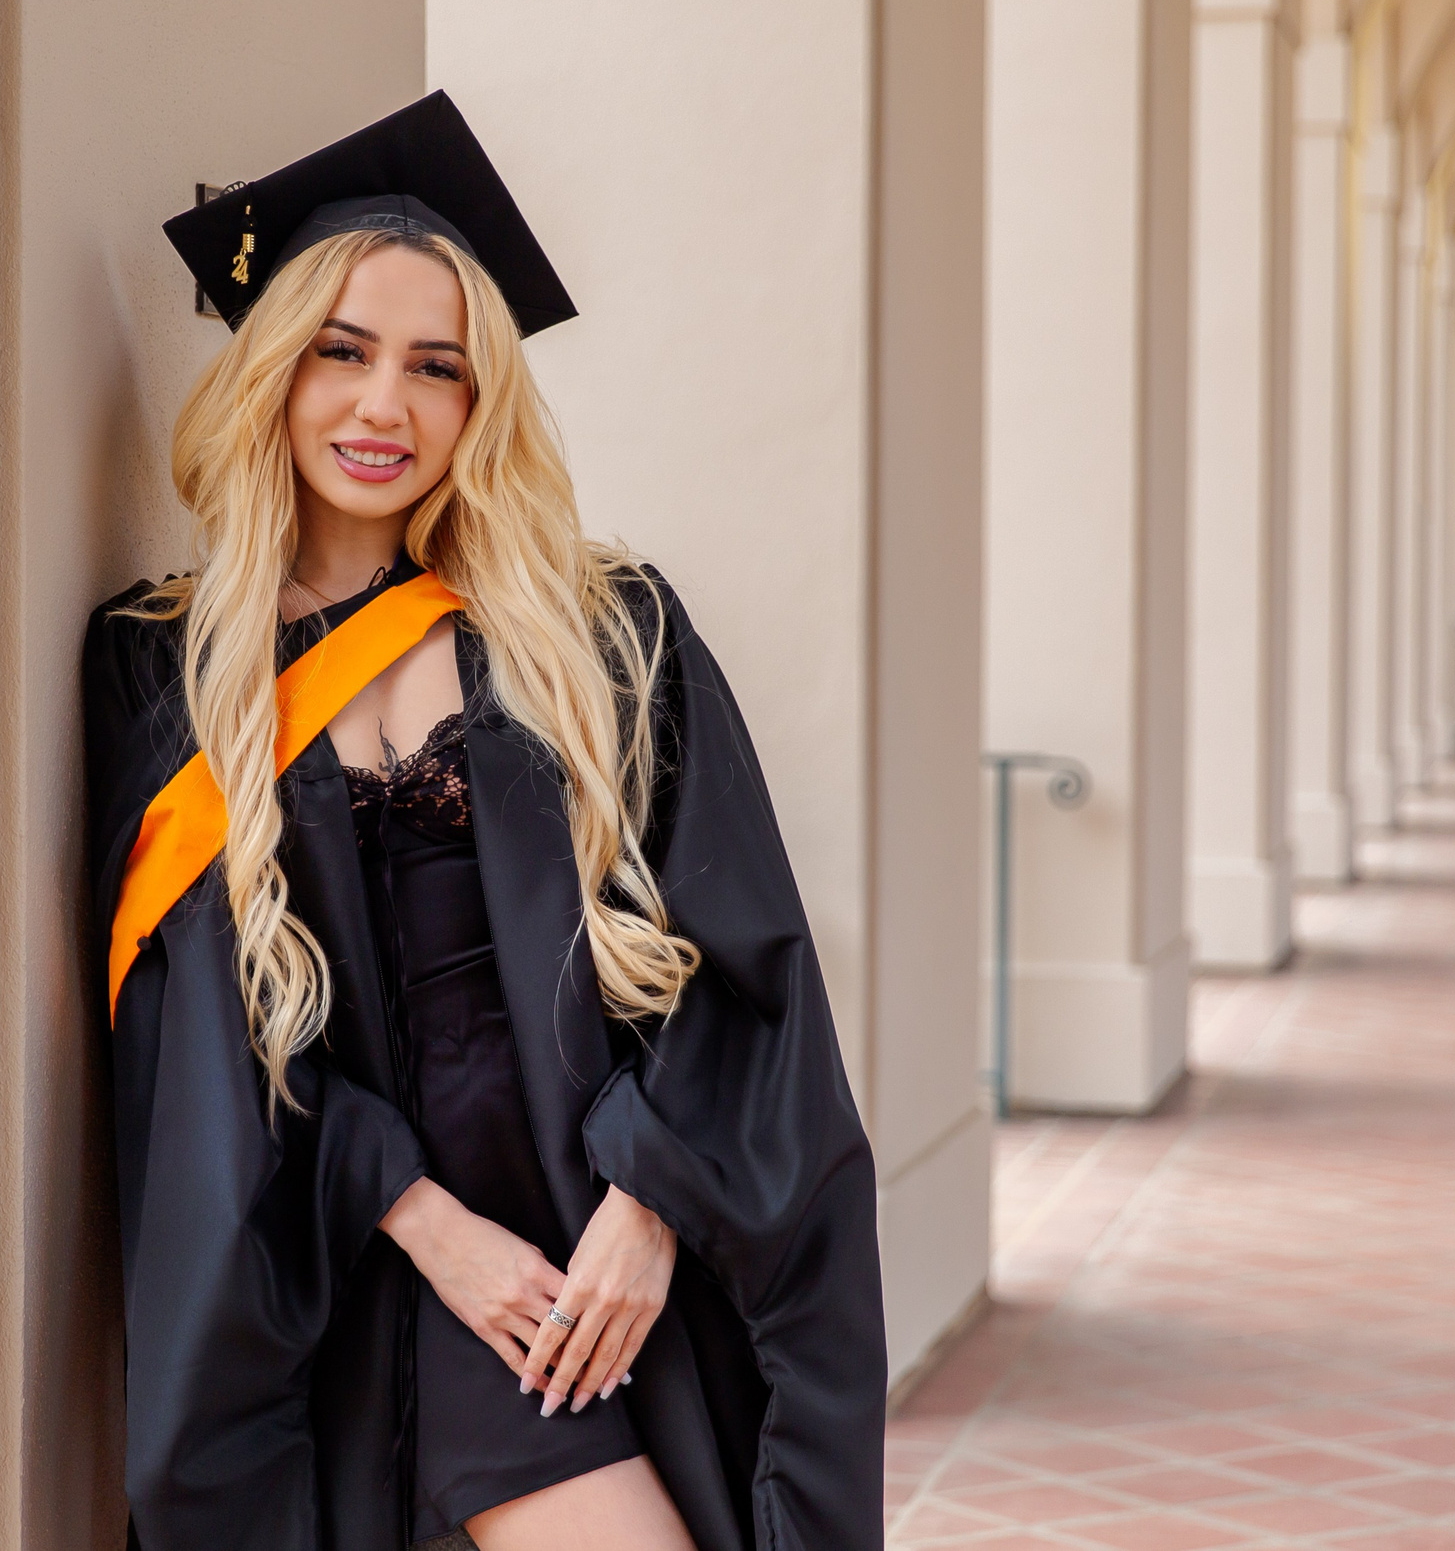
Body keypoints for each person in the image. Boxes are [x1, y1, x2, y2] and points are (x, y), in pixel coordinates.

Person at [84, 92, 886, 1551]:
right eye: (340, 352)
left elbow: (747, 959)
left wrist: (650, 1210)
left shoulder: (604, 634)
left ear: (480, 403)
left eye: (434, 368)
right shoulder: (168, 670)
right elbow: (197, 1052)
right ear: (272, 368)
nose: (382, 406)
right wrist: (429, 1229)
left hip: (609, 1238)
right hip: (372, 1254)